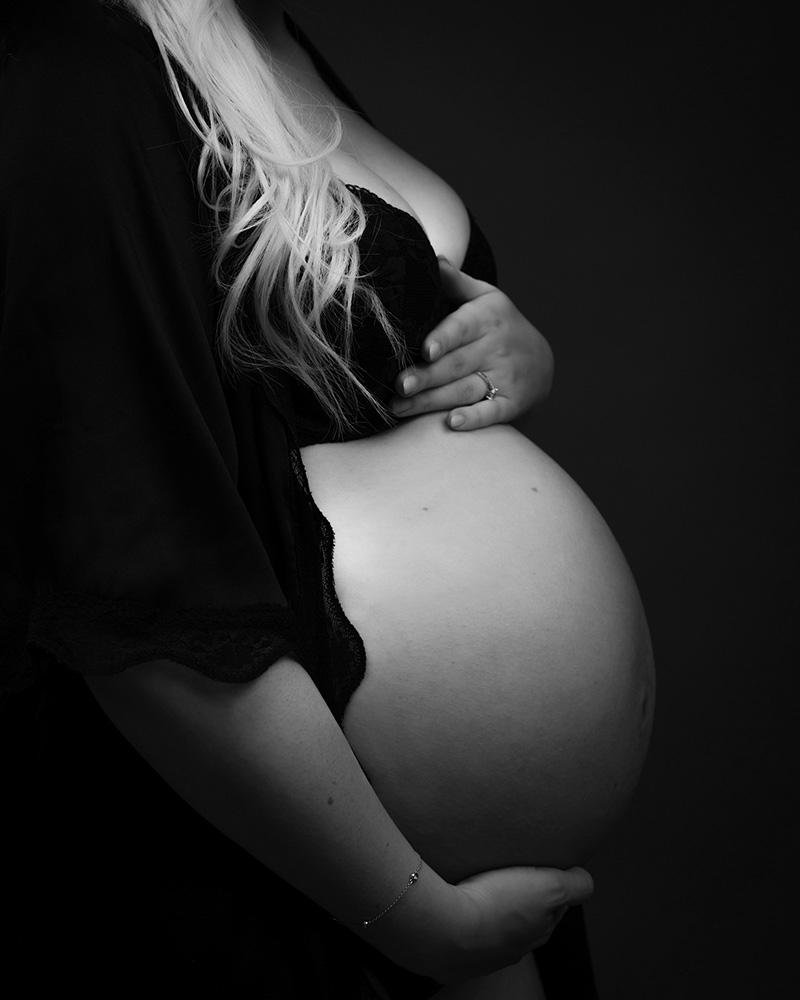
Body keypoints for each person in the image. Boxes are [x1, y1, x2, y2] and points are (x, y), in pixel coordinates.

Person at [1, 2, 655, 996]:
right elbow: (128, 575)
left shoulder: (267, 40)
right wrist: (408, 916)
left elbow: (352, 356)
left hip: (432, 886)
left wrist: (511, 349)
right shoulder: (77, 68)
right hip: (268, 880)